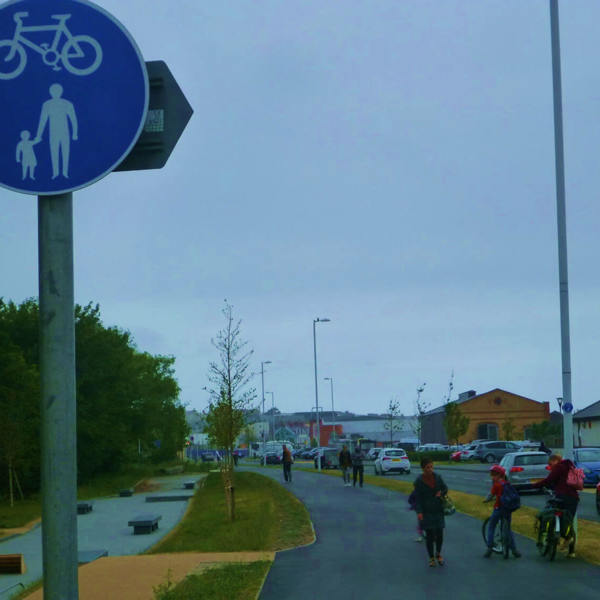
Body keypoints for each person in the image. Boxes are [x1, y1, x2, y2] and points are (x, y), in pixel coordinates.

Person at [532, 453, 579, 557]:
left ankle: (553, 536)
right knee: (568, 521)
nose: (550, 466)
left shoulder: (559, 467)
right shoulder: (570, 466)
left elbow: (549, 480)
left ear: (555, 461)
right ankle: (571, 551)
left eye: (550, 464)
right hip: (573, 498)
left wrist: (535, 485)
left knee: (552, 515)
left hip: (562, 496)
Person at [413, 457, 448, 567]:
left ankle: (438, 554)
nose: (430, 469)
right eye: (428, 467)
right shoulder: (419, 481)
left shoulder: (438, 477)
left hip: (438, 509)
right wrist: (419, 511)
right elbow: (417, 498)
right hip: (426, 511)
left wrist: (441, 493)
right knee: (430, 534)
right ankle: (431, 558)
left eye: (431, 467)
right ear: (423, 468)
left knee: (439, 533)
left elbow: (445, 488)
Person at [483, 465, 521, 559]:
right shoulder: (507, 483)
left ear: (498, 475)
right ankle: (514, 549)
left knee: (491, 526)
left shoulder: (496, 485)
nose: (492, 477)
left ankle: (489, 547)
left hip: (498, 508)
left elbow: (490, 495)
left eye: (493, 475)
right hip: (508, 509)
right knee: (508, 529)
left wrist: (486, 500)